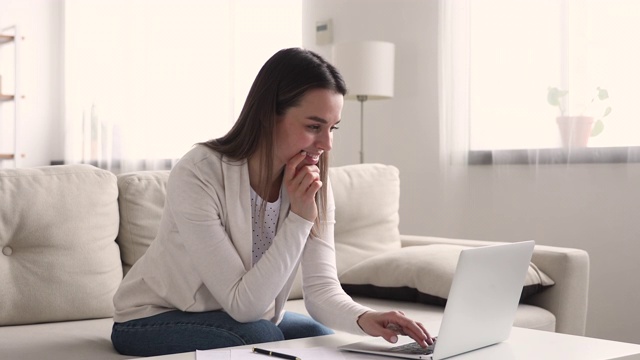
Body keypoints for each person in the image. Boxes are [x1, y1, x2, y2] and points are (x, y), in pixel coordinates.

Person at [111, 47, 433, 357]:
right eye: (313, 126)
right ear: (268, 115)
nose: (327, 144)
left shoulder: (314, 178)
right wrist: (300, 219)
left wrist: (365, 318)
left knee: (318, 337)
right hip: (150, 318)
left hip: (238, 316)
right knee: (261, 336)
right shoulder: (199, 173)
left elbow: (321, 290)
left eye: (333, 128)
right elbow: (244, 306)